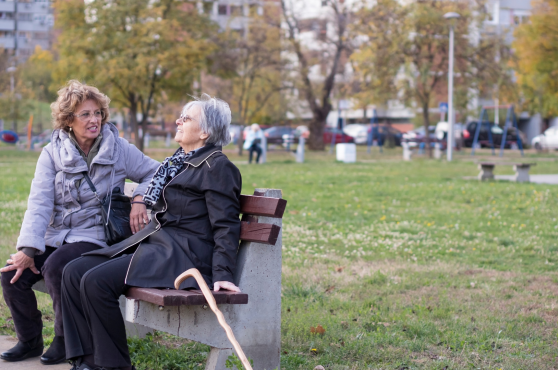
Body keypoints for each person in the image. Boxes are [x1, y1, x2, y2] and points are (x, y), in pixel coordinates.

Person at [61, 94, 242, 370]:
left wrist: (223, 275)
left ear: (205, 132)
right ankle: (86, 361)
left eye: (187, 118)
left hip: (184, 257)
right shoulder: (178, 162)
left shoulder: (217, 167)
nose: (179, 121)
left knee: (96, 282)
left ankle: (114, 366)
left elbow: (226, 225)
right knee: (73, 271)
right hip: (159, 245)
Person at [0, 80, 159, 365]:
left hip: (95, 235)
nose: (94, 119)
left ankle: (63, 339)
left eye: (97, 113)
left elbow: (156, 173)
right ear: (68, 120)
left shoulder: (119, 148)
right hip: (57, 234)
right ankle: (29, 340)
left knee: (58, 266)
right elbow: (39, 202)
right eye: (85, 114)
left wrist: (139, 200)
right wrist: (28, 250)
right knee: (12, 275)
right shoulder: (51, 153)